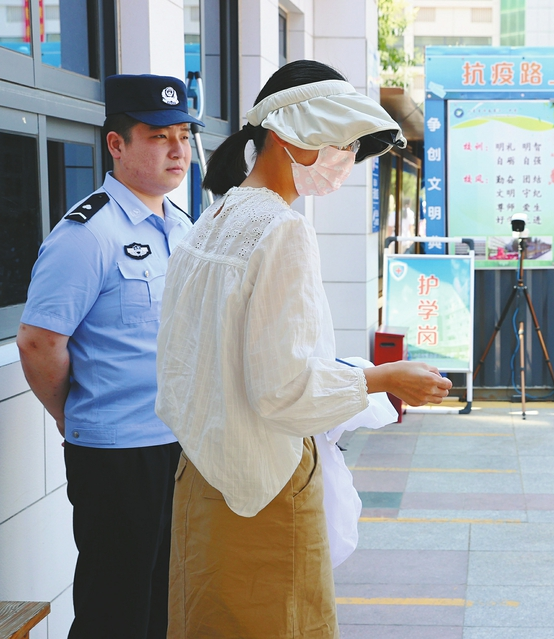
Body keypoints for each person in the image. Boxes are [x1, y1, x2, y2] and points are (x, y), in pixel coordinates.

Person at [155, 60, 453, 638]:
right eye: (339, 141)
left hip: (201, 479)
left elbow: (183, 367)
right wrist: (384, 378)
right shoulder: (281, 229)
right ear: (289, 132)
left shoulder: (211, 220)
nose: (344, 157)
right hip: (262, 489)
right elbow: (285, 391)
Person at [16, 74, 201, 639]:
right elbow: (39, 343)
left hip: (177, 445)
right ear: (116, 145)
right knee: (115, 609)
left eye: (184, 135)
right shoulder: (87, 233)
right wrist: (73, 417)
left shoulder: (182, 226)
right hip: (116, 454)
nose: (178, 149)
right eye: (158, 136)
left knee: (168, 604)